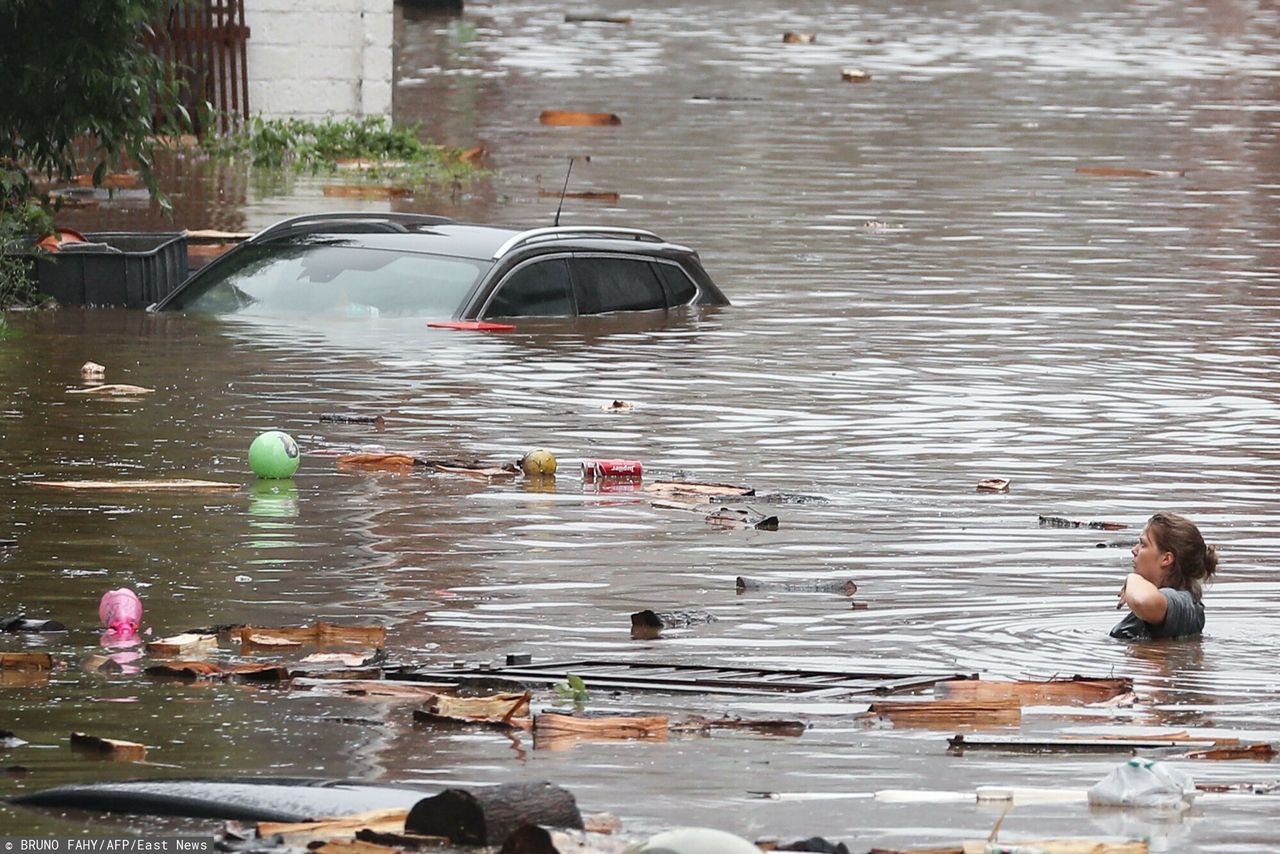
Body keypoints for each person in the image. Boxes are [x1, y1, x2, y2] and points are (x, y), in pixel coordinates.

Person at [1111, 512, 1217, 640]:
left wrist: (1133, 578)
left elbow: (1144, 601)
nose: (1134, 550)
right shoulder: (1186, 603)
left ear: (1166, 559)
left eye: (1143, 544)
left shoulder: (1182, 602)